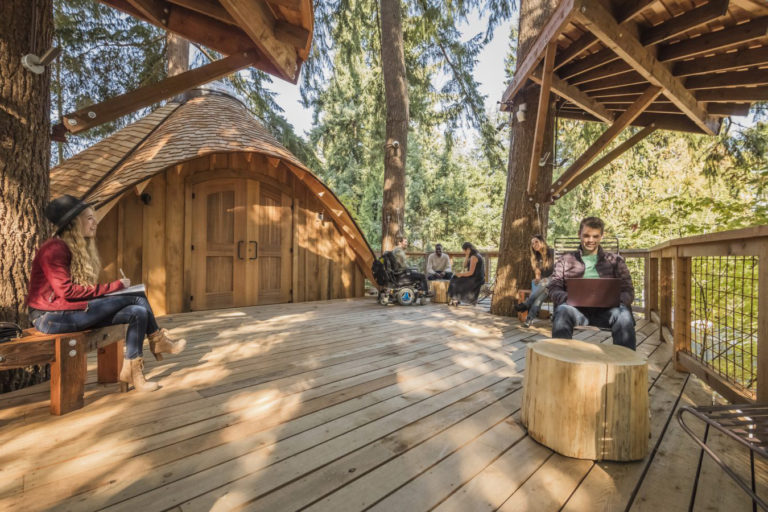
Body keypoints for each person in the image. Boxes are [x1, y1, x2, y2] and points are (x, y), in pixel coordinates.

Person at [26, 194, 187, 392]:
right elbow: (67, 292)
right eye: (89, 218)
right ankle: (158, 340)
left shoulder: (66, 246)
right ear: (74, 223)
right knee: (136, 296)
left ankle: (133, 372)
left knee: (139, 311)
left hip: (64, 312)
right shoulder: (54, 248)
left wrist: (109, 291)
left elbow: (71, 293)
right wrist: (114, 287)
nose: (95, 222)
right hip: (50, 318)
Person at [547, 216, 636, 350]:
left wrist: (615, 301)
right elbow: (554, 287)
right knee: (562, 311)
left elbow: (628, 291)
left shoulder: (615, 261)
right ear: (579, 235)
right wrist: (569, 299)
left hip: (608, 311)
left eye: (595, 236)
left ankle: (627, 363)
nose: (590, 240)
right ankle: (560, 358)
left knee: (624, 315)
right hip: (575, 309)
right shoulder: (565, 260)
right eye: (586, 236)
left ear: (602, 236)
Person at [515, 234, 555, 327]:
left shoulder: (552, 252)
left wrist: (545, 280)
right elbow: (538, 274)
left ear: (542, 242)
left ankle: (527, 304)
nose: (534, 244)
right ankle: (529, 319)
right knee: (539, 297)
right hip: (545, 285)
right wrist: (537, 279)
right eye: (532, 243)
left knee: (544, 282)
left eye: (536, 241)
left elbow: (558, 270)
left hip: (555, 280)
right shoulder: (536, 257)